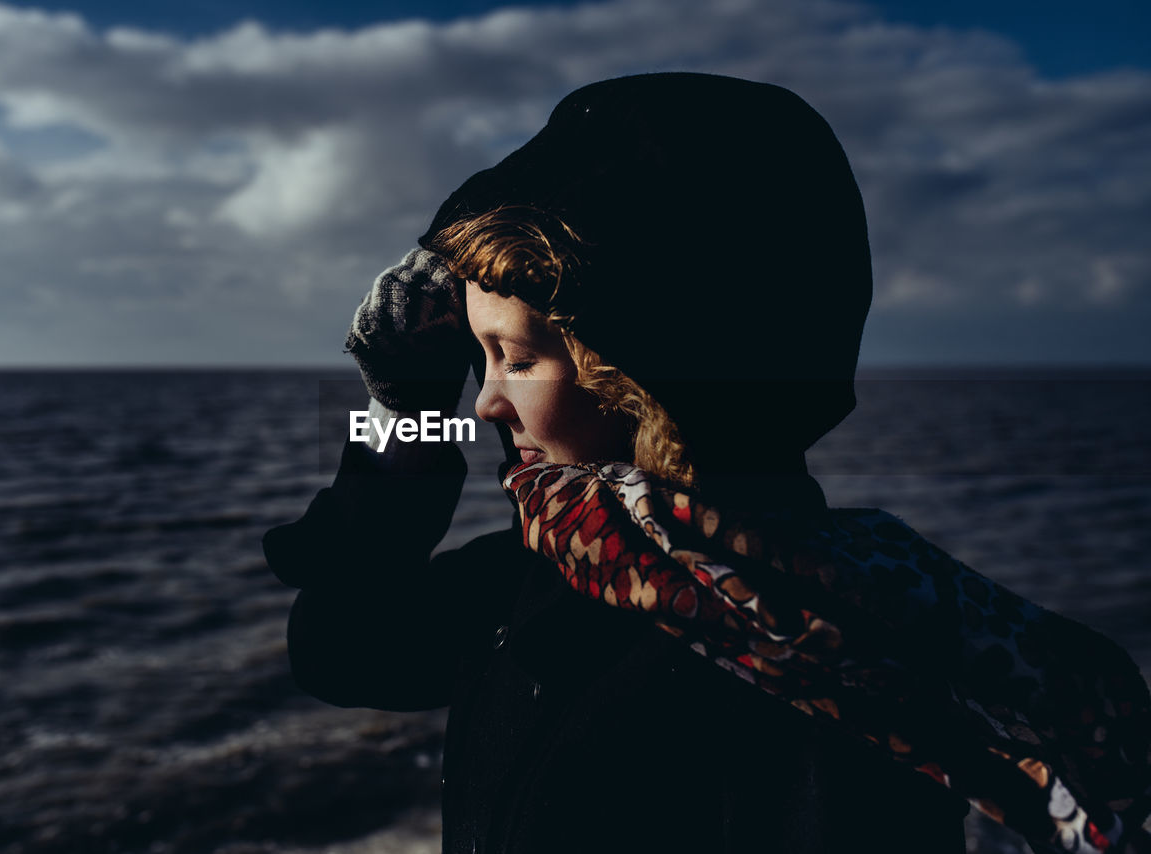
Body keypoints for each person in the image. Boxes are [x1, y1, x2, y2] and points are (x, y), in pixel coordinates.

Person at [264, 73, 1151, 854]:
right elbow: (338, 648)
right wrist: (404, 409)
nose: (485, 405)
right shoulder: (551, 569)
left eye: (519, 358)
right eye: (477, 358)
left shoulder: (836, 682)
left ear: (650, 367)